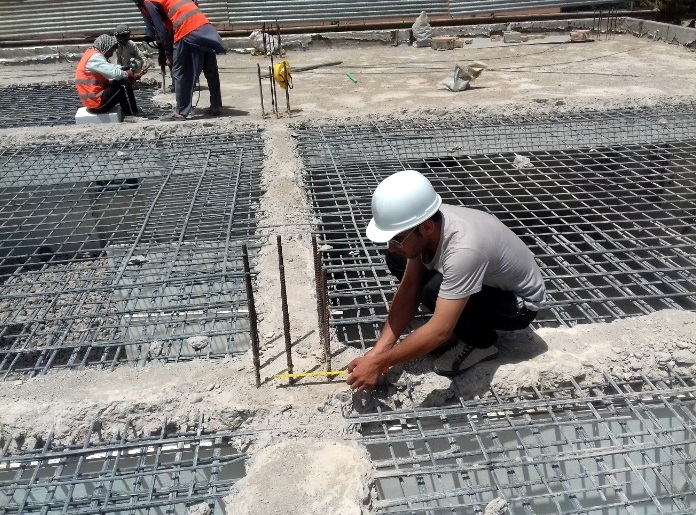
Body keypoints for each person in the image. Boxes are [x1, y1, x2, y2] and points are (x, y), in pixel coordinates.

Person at [346, 170, 546, 390]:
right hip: (485, 282)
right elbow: (410, 287)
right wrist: (379, 351)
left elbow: (440, 330)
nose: (391, 245)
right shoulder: (427, 222)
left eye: (397, 238)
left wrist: (379, 363)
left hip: (517, 306)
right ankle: (453, 317)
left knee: (434, 291)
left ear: (427, 228)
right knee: (397, 258)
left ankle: (481, 343)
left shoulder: (464, 249)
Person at [132, 0, 226, 119]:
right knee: (210, 68)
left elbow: (161, 30)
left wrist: (169, 54)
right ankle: (216, 106)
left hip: (186, 30)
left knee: (180, 72)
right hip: (203, 25)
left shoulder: (149, 2)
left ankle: (181, 111)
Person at [74, 34, 141, 116]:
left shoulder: (91, 54)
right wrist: (128, 74)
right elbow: (115, 74)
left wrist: (123, 68)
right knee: (123, 84)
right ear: (104, 47)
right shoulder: (95, 58)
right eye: (110, 51)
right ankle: (131, 114)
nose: (111, 54)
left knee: (120, 81)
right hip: (96, 103)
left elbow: (110, 68)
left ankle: (129, 111)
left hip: (92, 100)